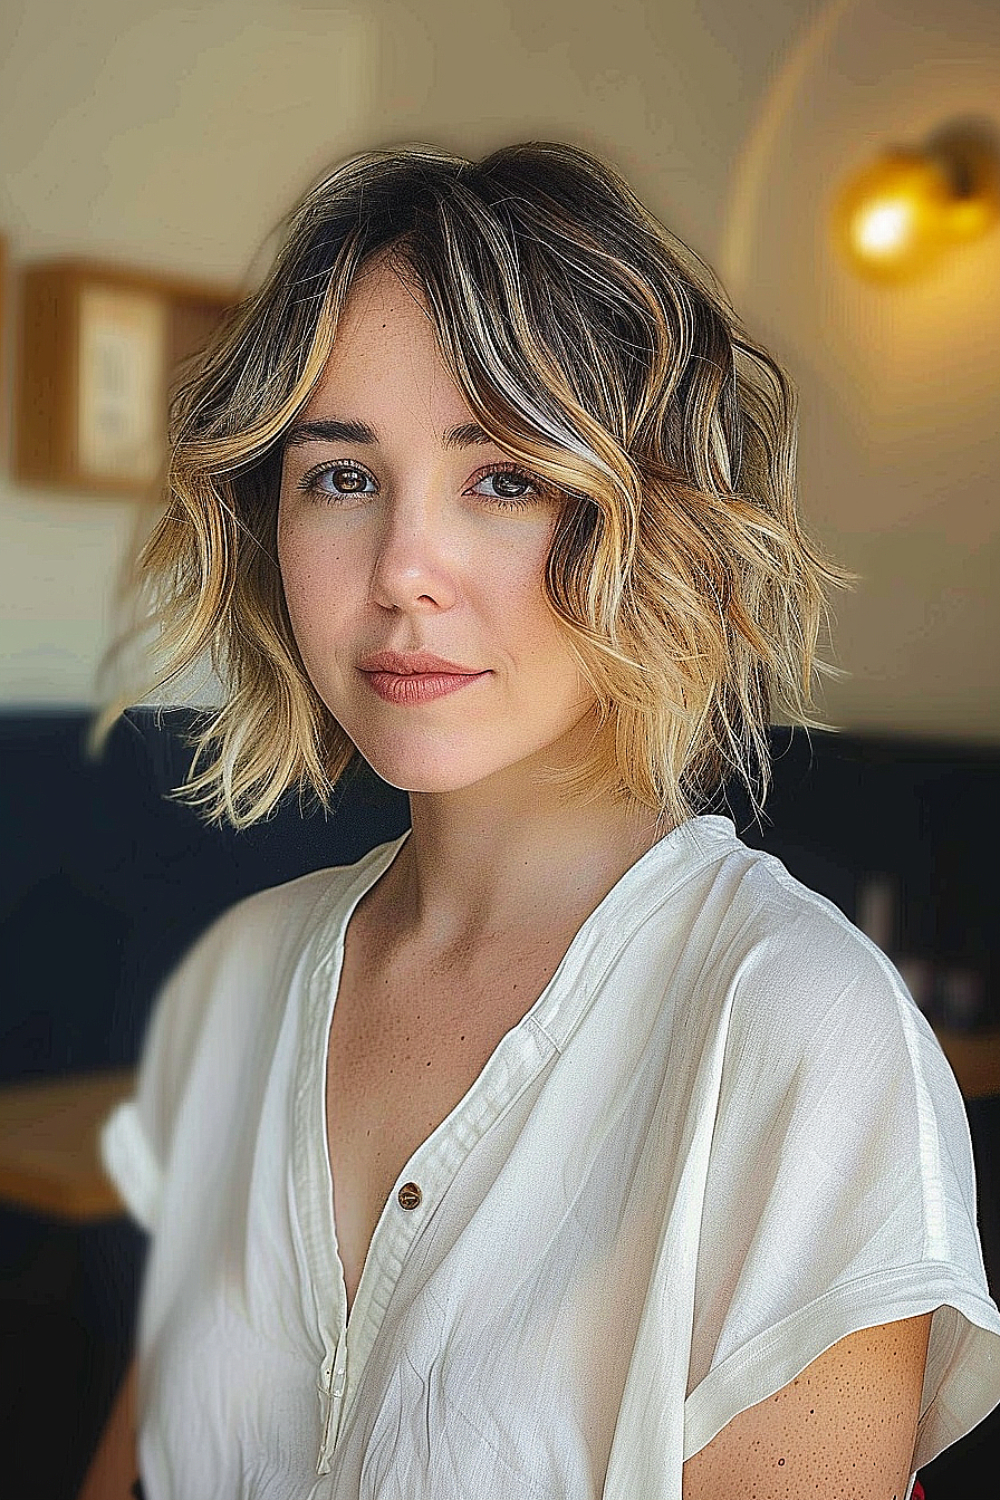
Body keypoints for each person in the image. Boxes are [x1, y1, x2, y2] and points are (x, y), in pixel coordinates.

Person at [80, 139, 1000, 1500]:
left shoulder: (801, 1034)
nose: (403, 570)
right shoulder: (242, 984)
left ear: (663, 526)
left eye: (503, 477)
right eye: (341, 475)